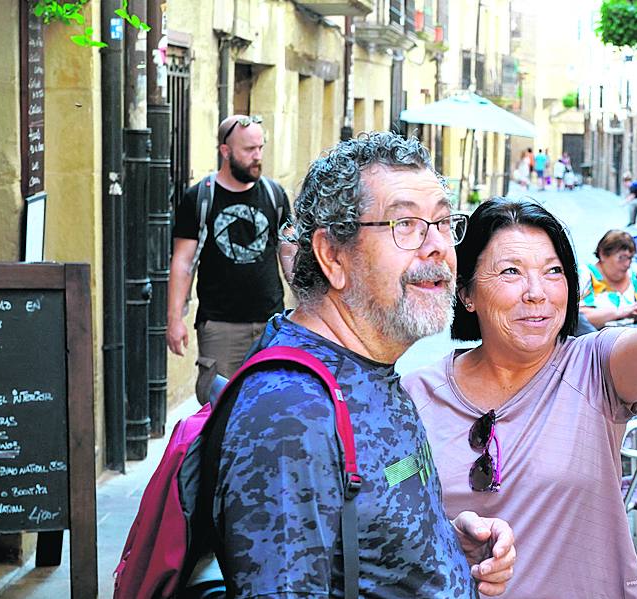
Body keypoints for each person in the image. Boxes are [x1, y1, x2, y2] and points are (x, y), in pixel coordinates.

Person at [403, 182, 637, 598]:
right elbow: (386, 531)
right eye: (511, 272)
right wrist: (451, 541)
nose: (537, 292)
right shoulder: (414, 396)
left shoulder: (596, 367)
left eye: (553, 271)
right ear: (467, 293)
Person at [213, 132, 516, 597]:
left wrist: (442, 550)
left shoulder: (370, 363)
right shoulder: (291, 414)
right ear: (333, 256)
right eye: (406, 224)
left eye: (441, 221)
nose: (438, 246)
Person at [168, 114, 297, 405]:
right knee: (219, 410)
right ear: (225, 152)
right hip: (220, 326)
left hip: (271, 323)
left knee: (272, 406)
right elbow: (183, 262)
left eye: (260, 148)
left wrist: (307, 304)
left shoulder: (275, 195)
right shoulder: (199, 198)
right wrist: (174, 319)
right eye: (249, 150)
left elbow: (290, 252)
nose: (257, 157)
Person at [579, 229, 637, 328]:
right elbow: (578, 318)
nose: (627, 264)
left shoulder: (633, 277)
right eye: (622, 258)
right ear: (603, 254)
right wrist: (619, 312)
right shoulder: (586, 275)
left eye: (630, 258)